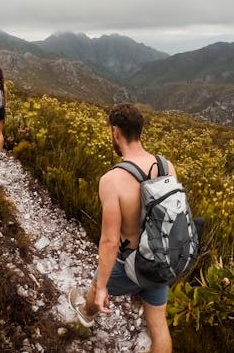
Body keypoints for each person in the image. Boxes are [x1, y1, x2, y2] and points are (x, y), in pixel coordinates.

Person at [68, 102, 174, 353]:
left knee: (95, 289)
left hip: (128, 263)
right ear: (140, 131)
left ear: (116, 132)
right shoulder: (166, 166)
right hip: (160, 259)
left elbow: (110, 241)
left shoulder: (112, 180)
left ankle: (85, 314)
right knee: (158, 326)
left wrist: (103, 286)